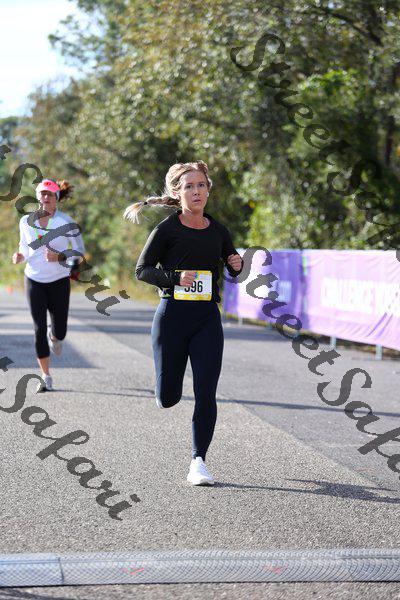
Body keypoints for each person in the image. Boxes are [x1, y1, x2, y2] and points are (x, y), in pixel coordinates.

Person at [123, 161, 242, 485]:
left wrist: (236, 264)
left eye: (201, 185)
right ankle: (163, 391)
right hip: (172, 318)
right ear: (178, 193)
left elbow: (233, 267)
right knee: (169, 397)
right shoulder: (167, 229)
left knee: (206, 391)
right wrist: (175, 278)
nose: (196, 191)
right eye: (189, 186)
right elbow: (142, 270)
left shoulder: (218, 230)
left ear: (208, 190)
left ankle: (198, 461)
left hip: (207, 319)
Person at [12, 178, 85, 393]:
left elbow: (79, 253)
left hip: (59, 281)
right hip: (34, 279)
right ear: (38, 197)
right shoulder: (26, 221)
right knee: (38, 328)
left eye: (50, 194)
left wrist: (59, 256)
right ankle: (46, 376)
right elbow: (24, 248)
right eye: (42, 193)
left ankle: (55, 337)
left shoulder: (66, 222)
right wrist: (20, 256)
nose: (45, 197)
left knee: (60, 331)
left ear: (56, 198)